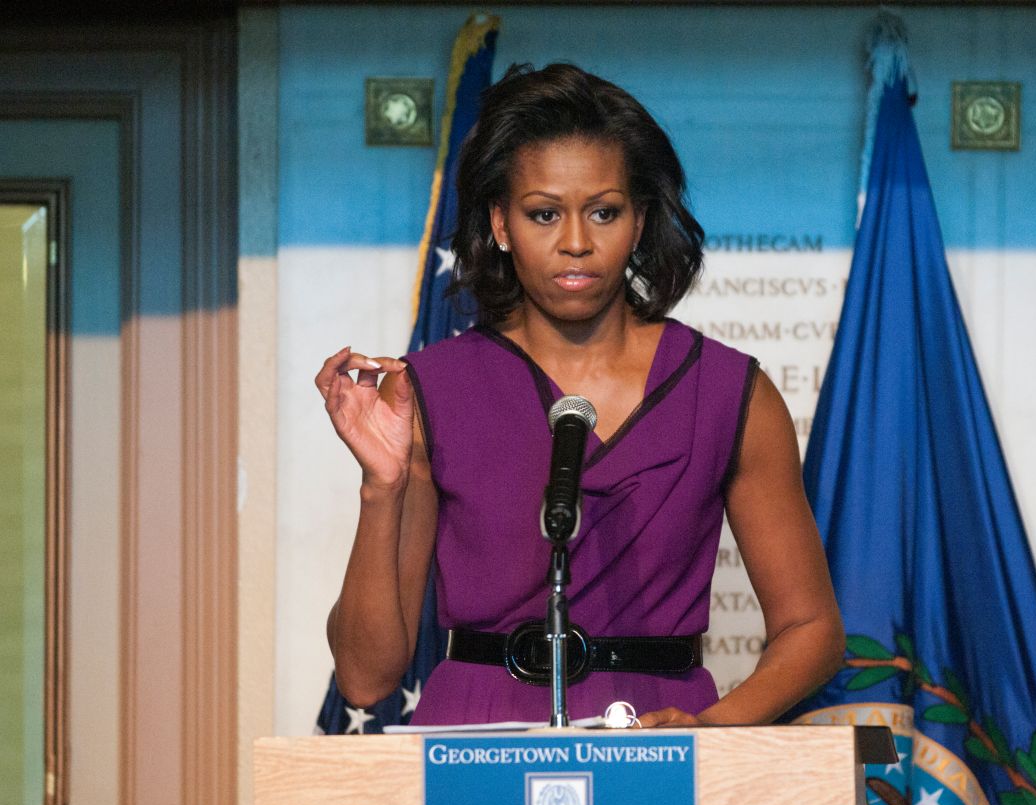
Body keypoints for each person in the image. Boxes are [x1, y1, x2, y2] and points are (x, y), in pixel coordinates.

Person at [315, 63, 844, 727]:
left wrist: (711, 730)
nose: (575, 243)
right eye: (544, 214)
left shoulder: (730, 391)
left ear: (640, 220)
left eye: (604, 212)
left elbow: (811, 627)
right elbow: (366, 678)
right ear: (501, 224)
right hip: (473, 738)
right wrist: (382, 489)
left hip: (661, 737)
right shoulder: (425, 390)